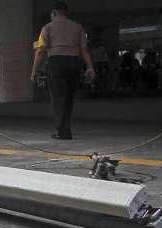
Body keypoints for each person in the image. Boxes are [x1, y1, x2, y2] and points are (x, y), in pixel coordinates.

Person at [31, 1, 95, 140]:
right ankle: (65, 129)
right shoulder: (78, 27)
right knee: (68, 98)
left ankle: (63, 131)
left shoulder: (47, 28)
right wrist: (90, 67)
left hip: (56, 63)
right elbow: (84, 49)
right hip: (73, 62)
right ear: (66, 13)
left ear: (53, 13)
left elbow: (41, 50)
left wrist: (34, 71)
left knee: (58, 98)